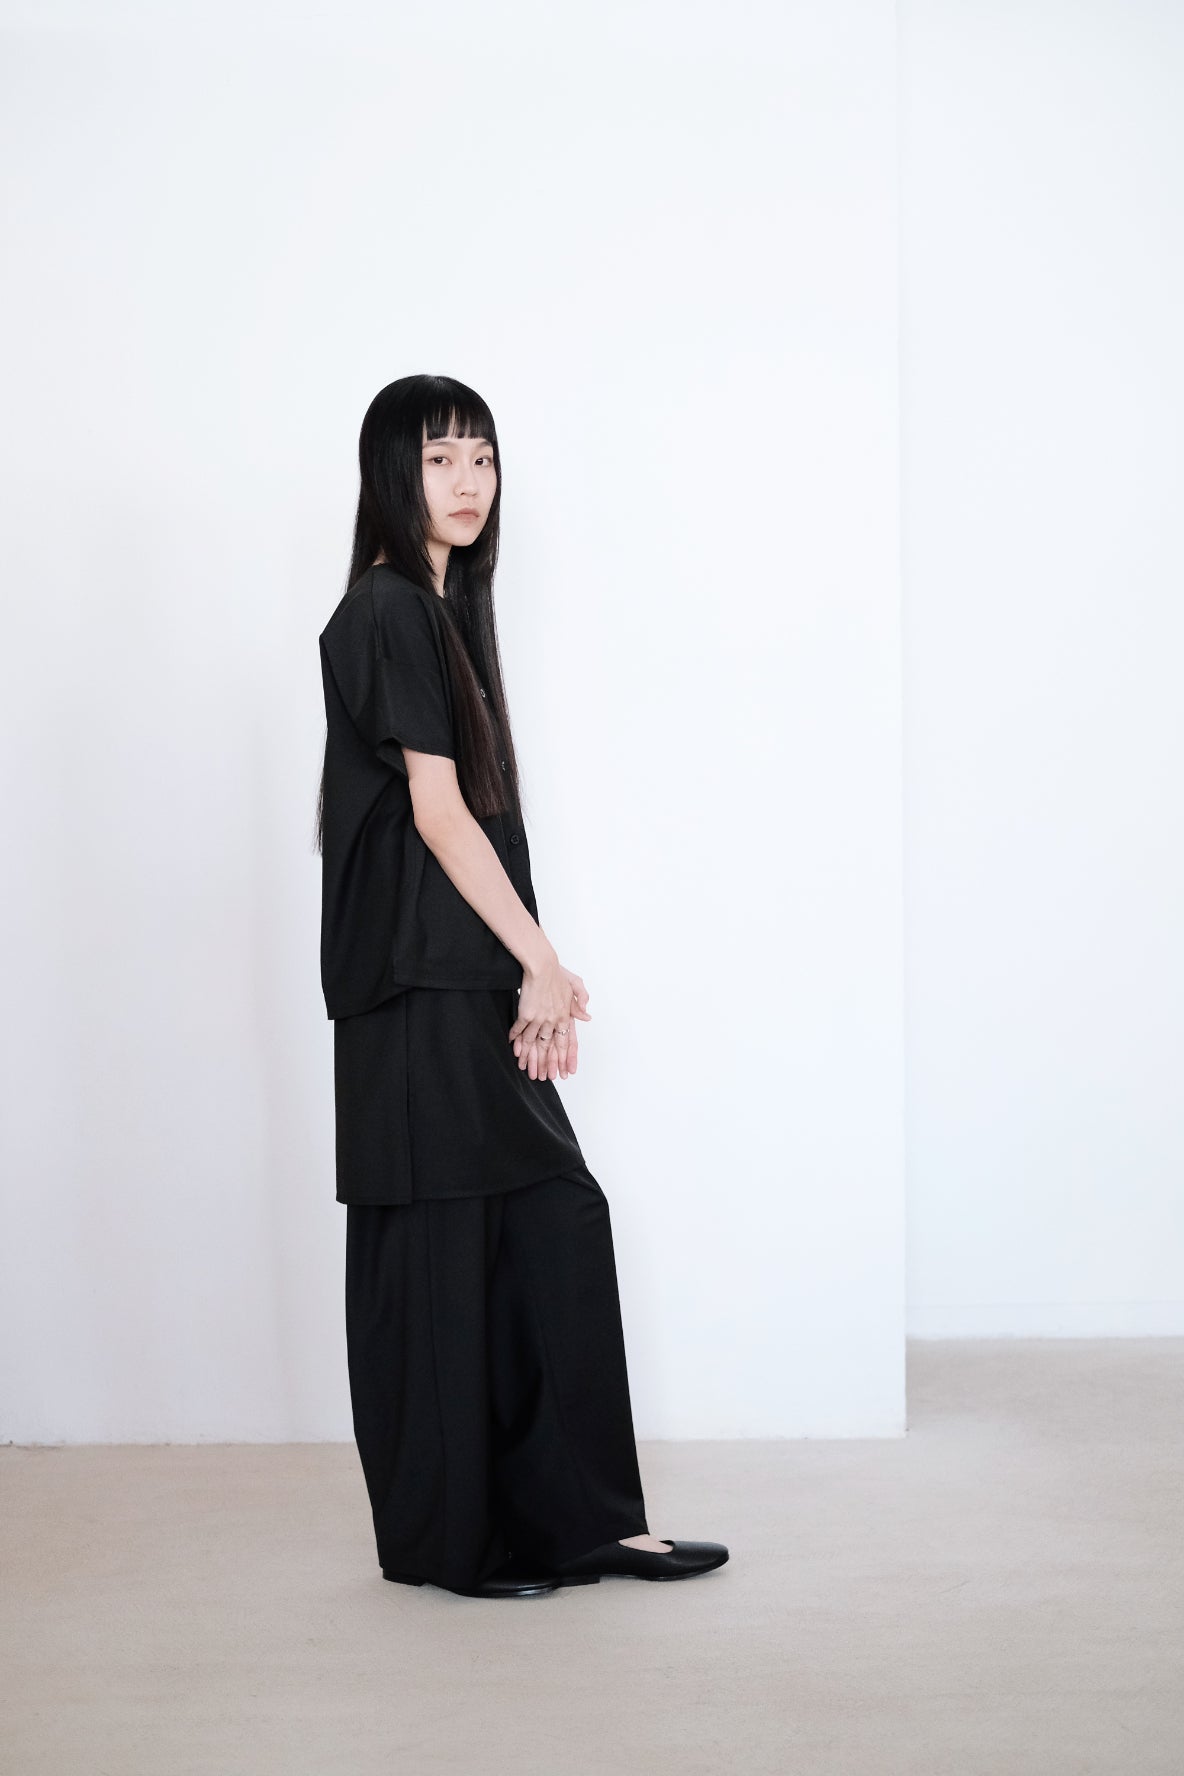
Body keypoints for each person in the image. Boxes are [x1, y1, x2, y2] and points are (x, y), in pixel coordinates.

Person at [313, 373, 728, 1599]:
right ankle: (452, 1546)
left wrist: (522, 968)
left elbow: (464, 816)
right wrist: (540, 959)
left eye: (483, 457)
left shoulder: (444, 614)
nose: (468, 481)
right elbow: (437, 815)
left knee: (544, 1225)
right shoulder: (387, 608)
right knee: (446, 1251)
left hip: (461, 967)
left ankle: (581, 1523)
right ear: (391, 473)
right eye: (440, 457)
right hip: (412, 980)